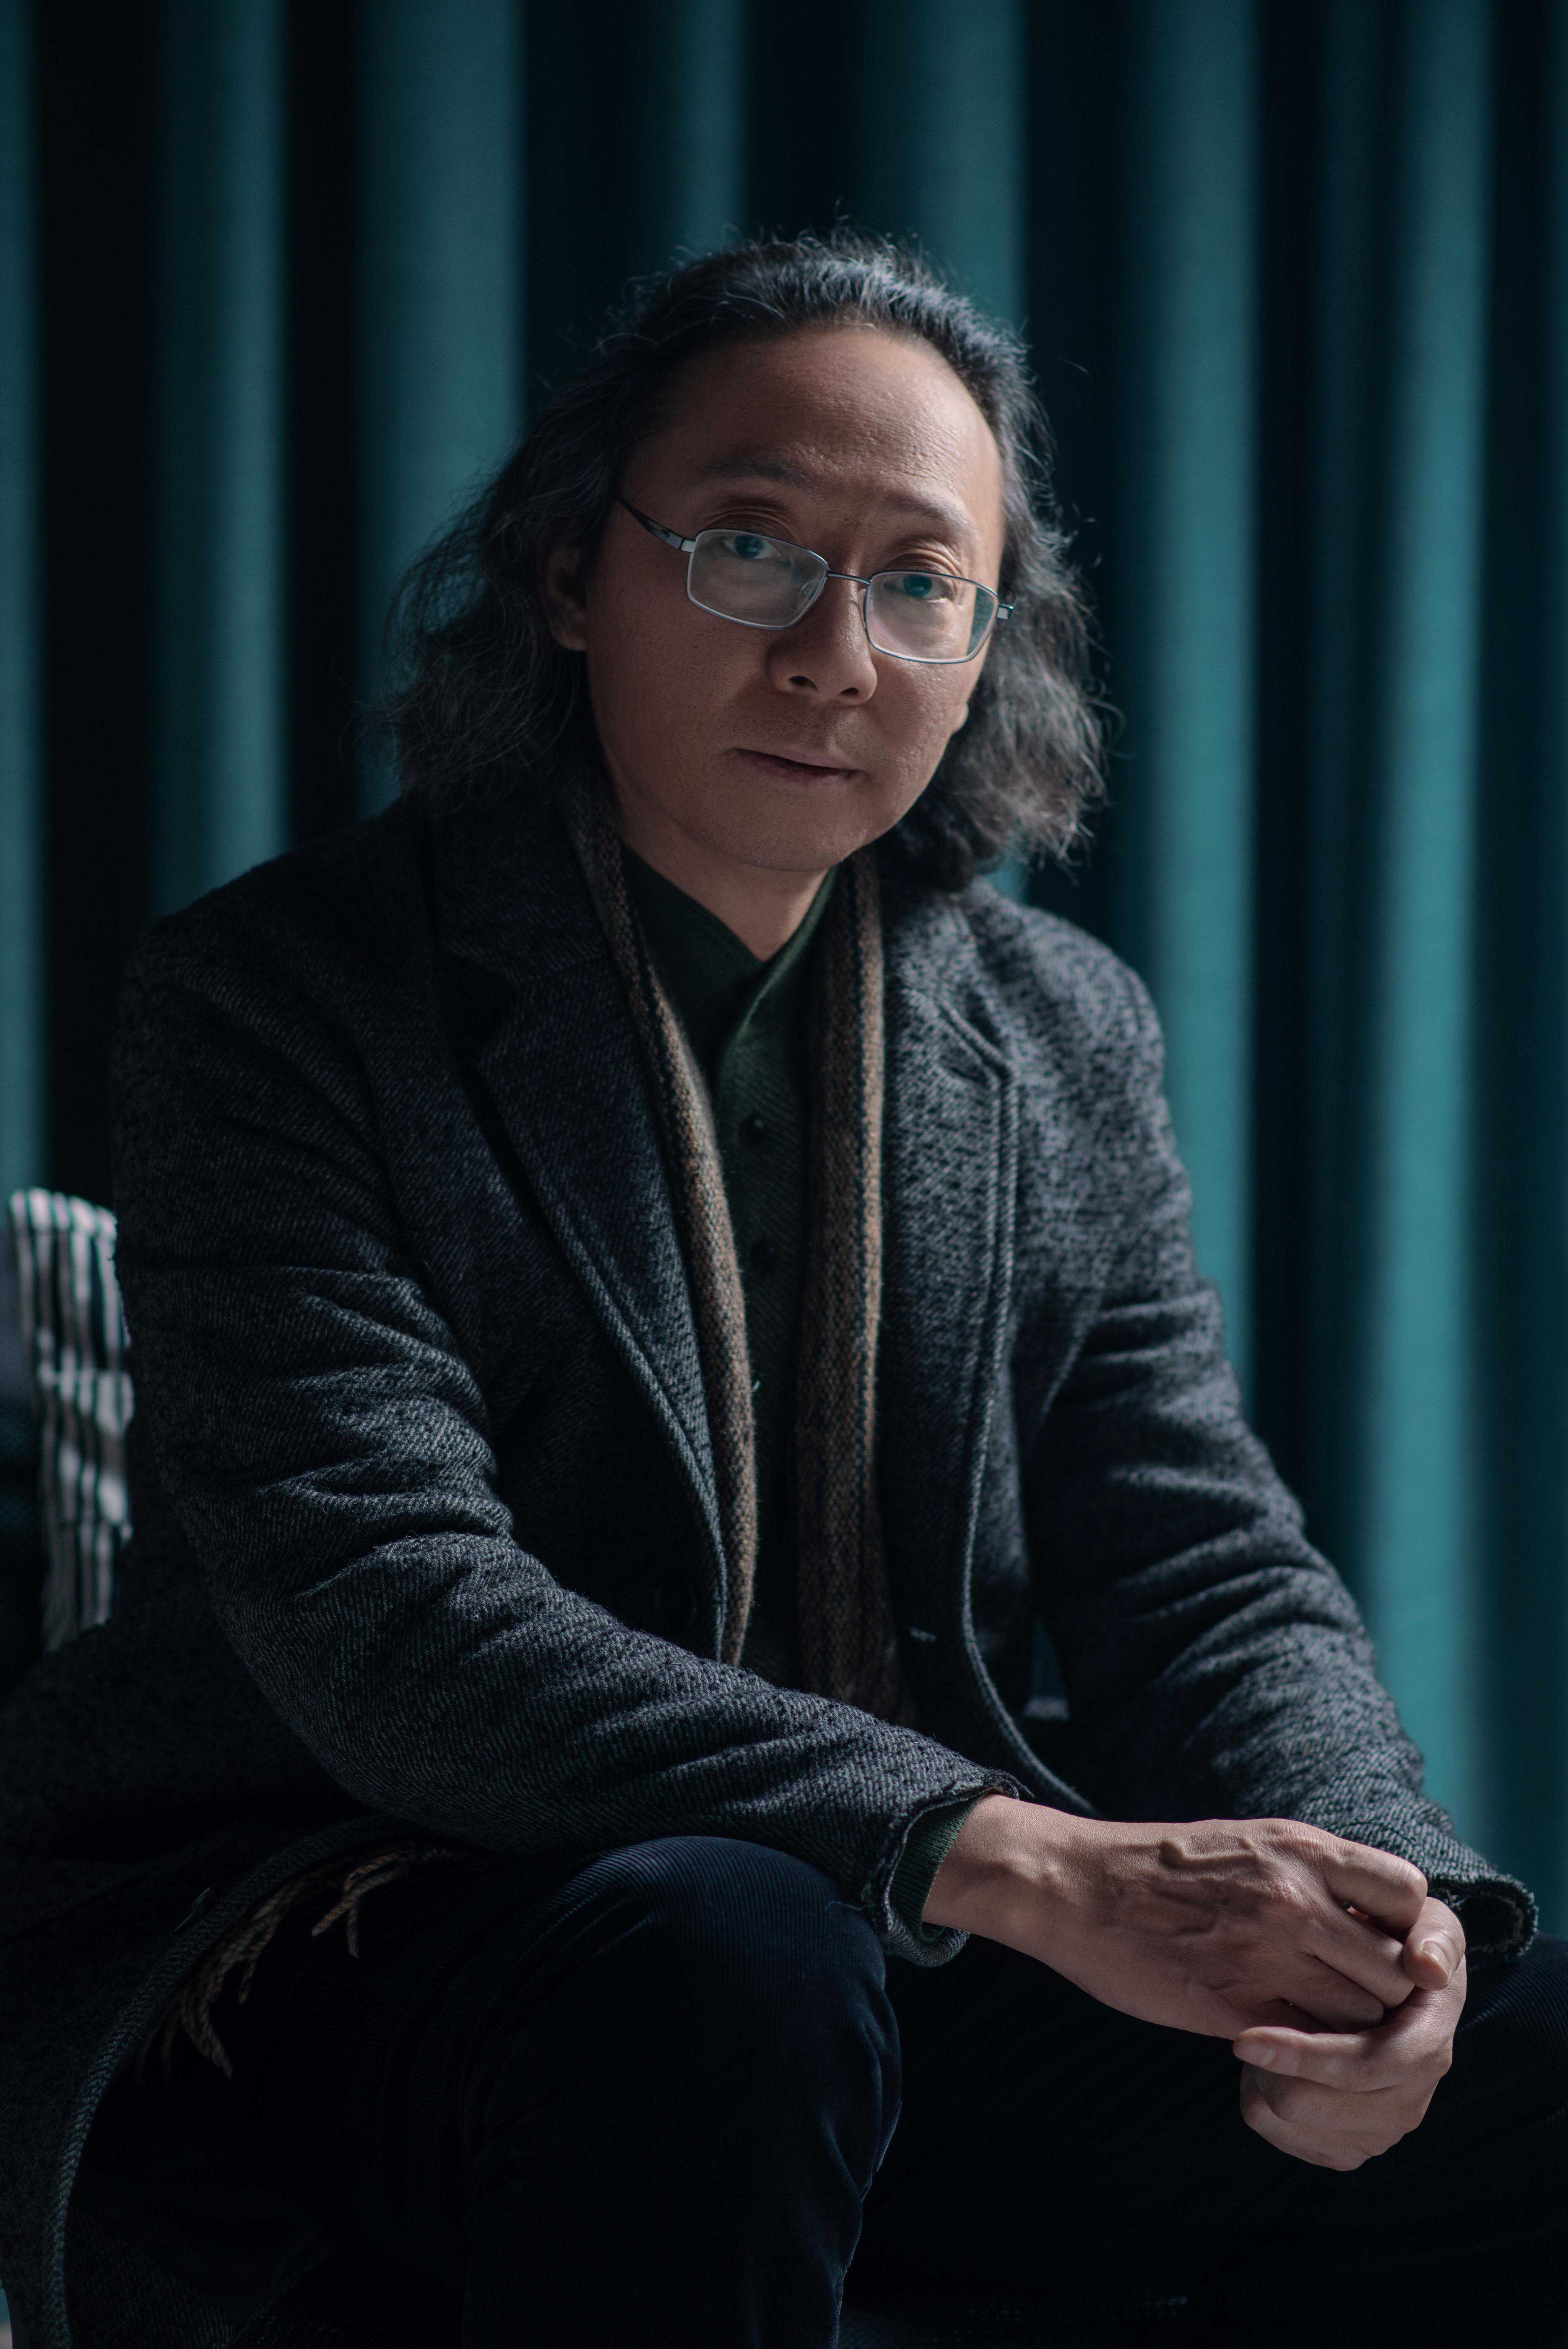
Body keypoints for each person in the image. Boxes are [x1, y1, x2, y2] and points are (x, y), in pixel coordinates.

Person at [0, 232, 1560, 2349]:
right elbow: (389, 1605)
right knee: (733, 1954)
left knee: (1521, 2053)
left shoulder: (1055, 1026)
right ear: (573, 573)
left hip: (894, 1931)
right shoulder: (279, 997)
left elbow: (1192, 1561)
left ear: (985, 646)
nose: (836, 655)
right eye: (749, 548)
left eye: (919, 582)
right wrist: (996, 1853)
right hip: (366, 1907)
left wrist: (1393, 1915)